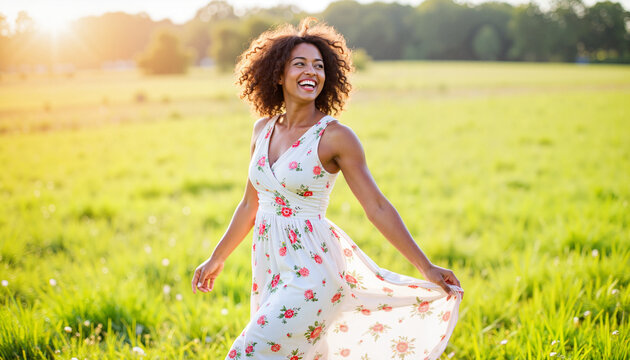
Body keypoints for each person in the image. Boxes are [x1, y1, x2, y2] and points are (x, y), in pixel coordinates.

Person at [192, 17, 464, 360]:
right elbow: (250, 205)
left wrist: (426, 267)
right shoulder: (262, 129)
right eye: (300, 64)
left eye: (319, 66)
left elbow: (377, 207)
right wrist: (217, 258)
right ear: (278, 73)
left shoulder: (335, 137)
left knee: (248, 353)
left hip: (314, 274)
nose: (312, 72)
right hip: (270, 268)